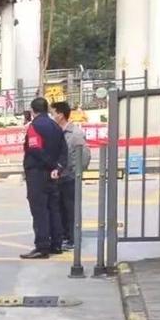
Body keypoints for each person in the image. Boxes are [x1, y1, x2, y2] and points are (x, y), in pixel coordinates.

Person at [20, 97, 67, 259]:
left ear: (33, 111)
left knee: (39, 210)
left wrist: (50, 164)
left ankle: (42, 246)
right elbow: (64, 150)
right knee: (53, 208)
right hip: (53, 174)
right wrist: (57, 167)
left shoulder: (34, 126)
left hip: (37, 173)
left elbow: (35, 149)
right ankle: (56, 244)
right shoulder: (56, 126)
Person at [52, 102, 90, 250]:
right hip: (59, 177)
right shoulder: (56, 132)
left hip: (70, 177)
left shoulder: (75, 133)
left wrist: (77, 172)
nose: (52, 116)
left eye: (53, 113)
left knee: (71, 209)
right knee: (60, 209)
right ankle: (65, 236)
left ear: (60, 115)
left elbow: (85, 155)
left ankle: (74, 239)